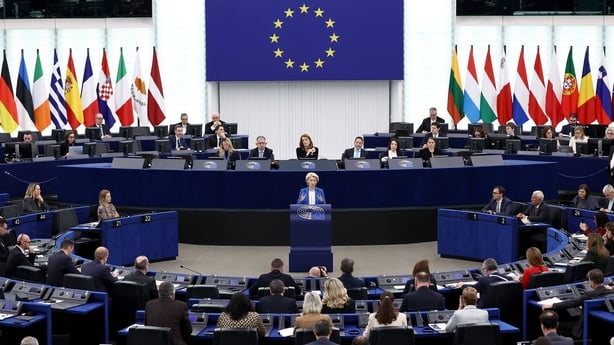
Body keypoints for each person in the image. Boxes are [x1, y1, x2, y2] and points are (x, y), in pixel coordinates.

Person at [541, 269, 614, 338]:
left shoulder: (590, 294)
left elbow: (571, 303)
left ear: (592, 282)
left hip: (583, 327)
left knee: (558, 323)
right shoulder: (610, 291)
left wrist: (552, 305)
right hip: (598, 327)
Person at [145, 281, 192, 345]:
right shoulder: (181, 306)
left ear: (159, 293)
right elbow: (188, 331)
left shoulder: (149, 305)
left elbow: (146, 325)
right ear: (173, 294)